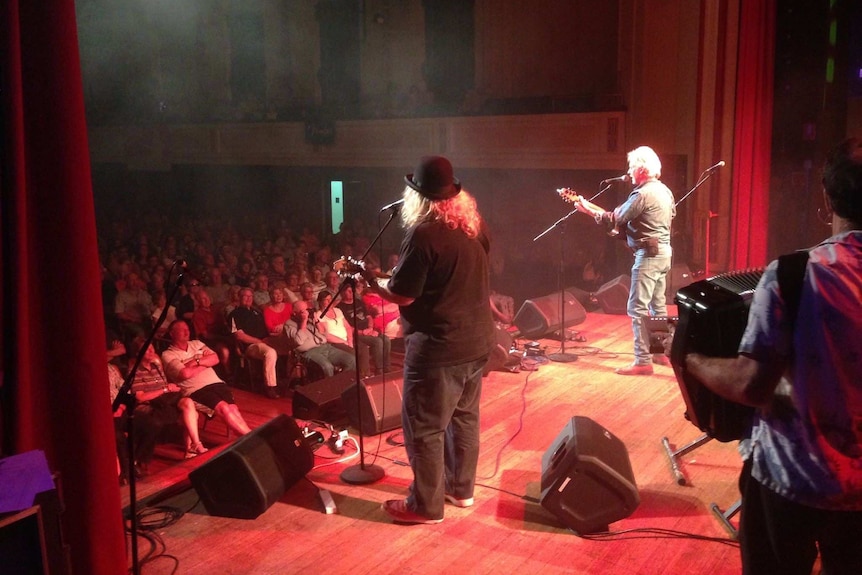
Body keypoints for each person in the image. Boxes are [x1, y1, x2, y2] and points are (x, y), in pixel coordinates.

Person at [684, 138, 862, 574]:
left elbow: (751, 384)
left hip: (790, 480)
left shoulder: (793, 274)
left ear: (826, 198)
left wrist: (692, 359)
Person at [368, 155, 495, 524]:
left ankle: (425, 506)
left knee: (424, 428)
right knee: (464, 420)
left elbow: (403, 295)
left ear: (418, 197)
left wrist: (373, 283)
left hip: (440, 348)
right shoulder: (475, 227)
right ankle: (460, 489)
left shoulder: (423, 234)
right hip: (477, 341)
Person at [571, 145, 675, 375]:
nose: (628, 171)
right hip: (664, 254)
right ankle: (658, 353)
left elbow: (615, 218)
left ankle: (642, 361)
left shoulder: (641, 194)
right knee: (657, 306)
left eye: (631, 166)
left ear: (641, 169)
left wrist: (586, 210)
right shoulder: (665, 191)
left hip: (648, 256)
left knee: (637, 307)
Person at [161, 320, 252, 436]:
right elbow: (185, 374)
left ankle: (246, 438)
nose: (186, 331)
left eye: (187, 329)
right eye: (181, 329)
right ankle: (251, 437)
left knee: (233, 409)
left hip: (217, 383)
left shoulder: (197, 343)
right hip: (196, 389)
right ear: (172, 333)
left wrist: (194, 361)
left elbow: (215, 359)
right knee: (224, 408)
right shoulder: (168, 355)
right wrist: (205, 363)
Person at [128, 339, 208, 462]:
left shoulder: (156, 365)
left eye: (152, 348)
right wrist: (165, 389)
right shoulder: (136, 371)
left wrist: (170, 389)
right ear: (138, 353)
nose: (152, 351)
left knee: (188, 403)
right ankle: (191, 449)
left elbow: (166, 384)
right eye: (147, 350)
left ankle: (194, 446)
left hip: (166, 401)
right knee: (192, 415)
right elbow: (140, 397)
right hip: (152, 405)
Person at [228, 287, 290, 399]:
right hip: (251, 346)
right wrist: (259, 341)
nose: (248, 298)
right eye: (245, 296)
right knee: (270, 352)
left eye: (250, 296)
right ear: (239, 297)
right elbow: (239, 335)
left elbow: (267, 329)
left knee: (290, 346)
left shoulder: (256, 311)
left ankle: (288, 380)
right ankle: (270, 387)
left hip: (266, 341)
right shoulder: (234, 314)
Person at [283, 300, 356, 379]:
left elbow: (323, 333)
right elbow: (298, 341)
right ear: (294, 313)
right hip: (308, 352)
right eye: (302, 312)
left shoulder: (310, 320)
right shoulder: (289, 324)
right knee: (327, 367)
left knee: (351, 360)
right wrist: (303, 321)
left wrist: (316, 321)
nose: (306, 313)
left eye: (307, 310)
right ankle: (329, 389)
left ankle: (341, 384)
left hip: (325, 347)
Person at [337, 283, 391, 378]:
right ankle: (379, 369)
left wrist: (370, 328)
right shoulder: (340, 307)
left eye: (352, 290)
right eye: (348, 291)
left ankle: (386, 367)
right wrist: (363, 332)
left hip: (368, 330)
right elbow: (347, 327)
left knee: (386, 339)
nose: (351, 292)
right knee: (377, 341)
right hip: (357, 334)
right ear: (342, 292)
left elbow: (369, 316)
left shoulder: (358, 301)